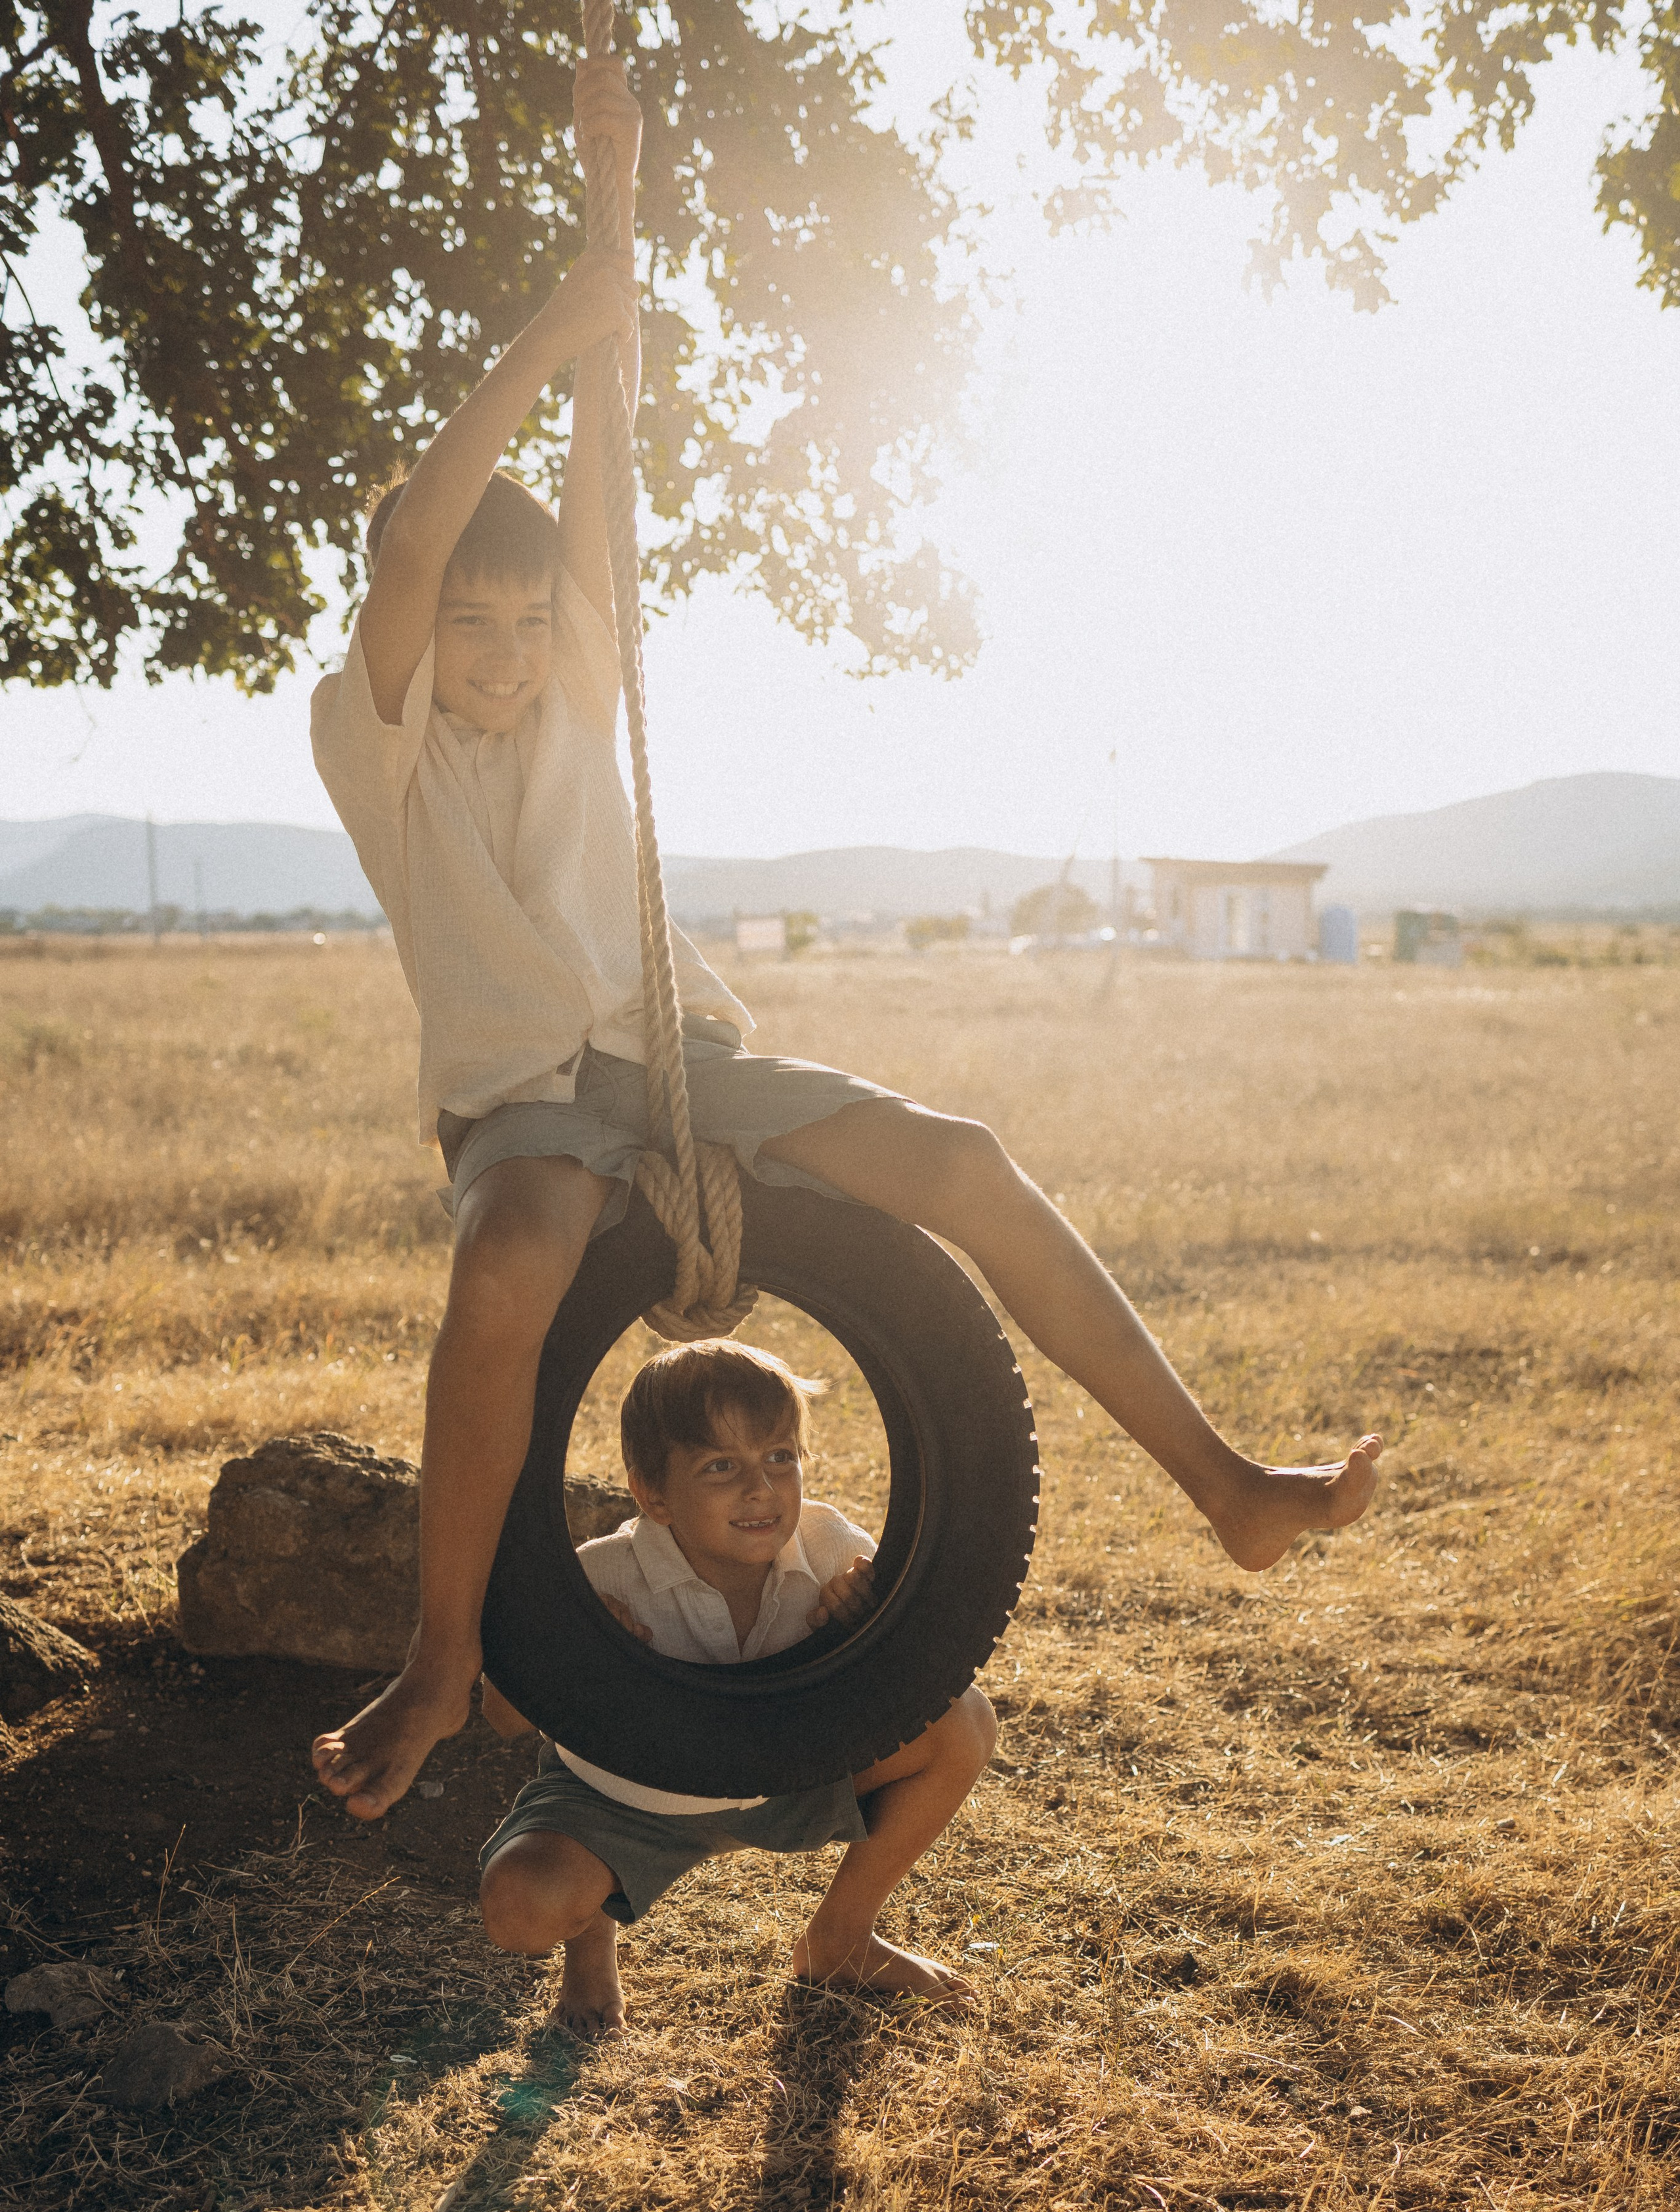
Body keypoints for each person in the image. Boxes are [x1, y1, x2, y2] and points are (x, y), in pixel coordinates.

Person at [309, 52, 1381, 1832]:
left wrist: (613, 195)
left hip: (685, 1055)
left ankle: (1226, 1484)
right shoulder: (379, 733)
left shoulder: (579, 680)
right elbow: (426, 534)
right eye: (471, 624)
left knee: (957, 1159)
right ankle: (441, 1659)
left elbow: (611, 447)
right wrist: (539, 335)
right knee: (506, 1276)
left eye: (521, 620)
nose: (500, 649)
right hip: (522, 1092)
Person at [474, 1339, 992, 2032]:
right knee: (518, 1911)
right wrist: (571, 1652)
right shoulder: (596, 1580)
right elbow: (502, 1716)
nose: (761, 1488)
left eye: (779, 1456)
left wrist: (870, 1628)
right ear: (653, 1494)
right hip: (622, 1797)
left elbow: (934, 1663)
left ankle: (841, 1939)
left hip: (785, 1770)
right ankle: (592, 1935)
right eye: (720, 1466)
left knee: (961, 1721)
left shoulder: (829, 1545)